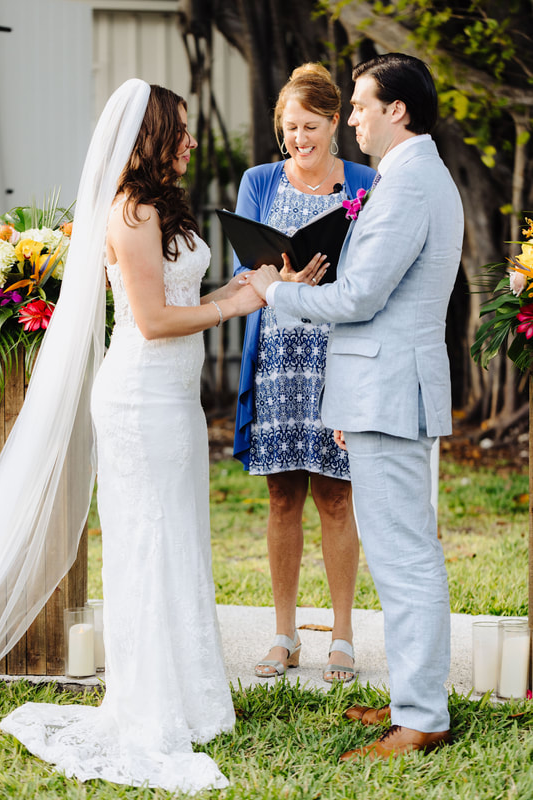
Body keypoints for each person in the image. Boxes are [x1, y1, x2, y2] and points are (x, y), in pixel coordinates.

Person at [0, 79, 263, 792]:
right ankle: (150, 706)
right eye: (180, 131)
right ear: (148, 137)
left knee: (178, 536)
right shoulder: (131, 209)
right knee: (147, 543)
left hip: (171, 399)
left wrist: (248, 289)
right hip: (140, 397)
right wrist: (234, 304)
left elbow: (184, 300)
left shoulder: (162, 207)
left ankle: (191, 695)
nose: (192, 141)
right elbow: (152, 322)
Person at [247, 53, 464, 759]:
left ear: (396, 110)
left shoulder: (406, 185)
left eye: (364, 106)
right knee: (403, 554)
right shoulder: (408, 177)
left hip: (391, 390)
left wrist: (277, 291)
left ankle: (423, 718)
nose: (356, 118)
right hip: (380, 388)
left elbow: (359, 298)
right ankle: (411, 698)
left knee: (405, 559)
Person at [232, 63, 375, 682]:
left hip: (337, 358)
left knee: (337, 497)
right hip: (278, 363)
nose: (299, 139)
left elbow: (377, 273)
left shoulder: (366, 182)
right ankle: (284, 634)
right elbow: (246, 276)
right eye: (290, 128)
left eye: (310, 127)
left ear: (335, 122)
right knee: (283, 494)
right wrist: (277, 284)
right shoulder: (259, 181)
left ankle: (342, 635)